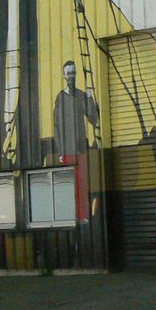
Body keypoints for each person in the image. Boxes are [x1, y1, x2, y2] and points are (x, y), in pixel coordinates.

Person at [53, 60, 99, 221]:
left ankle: (83, 216)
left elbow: (93, 118)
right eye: (68, 73)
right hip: (67, 149)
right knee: (68, 186)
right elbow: (57, 125)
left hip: (81, 148)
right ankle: (70, 216)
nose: (71, 76)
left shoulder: (81, 95)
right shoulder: (60, 98)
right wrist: (60, 150)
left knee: (83, 184)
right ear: (64, 75)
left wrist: (90, 98)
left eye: (73, 73)